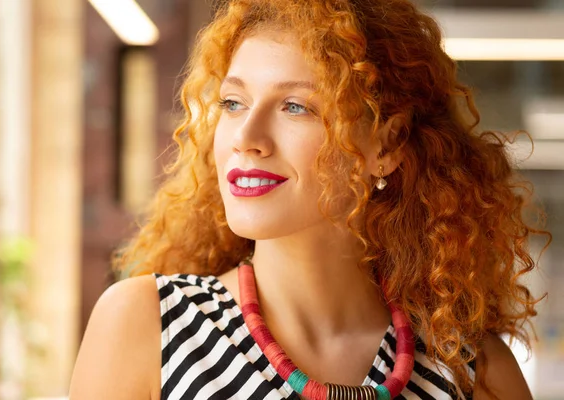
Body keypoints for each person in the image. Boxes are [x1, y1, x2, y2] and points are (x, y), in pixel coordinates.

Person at [69, 0, 550, 399]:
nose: (247, 137)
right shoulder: (149, 326)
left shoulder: (473, 371)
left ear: (387, 145)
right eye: (233, 103)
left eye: (295, 106)